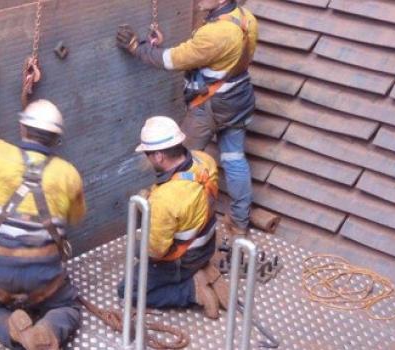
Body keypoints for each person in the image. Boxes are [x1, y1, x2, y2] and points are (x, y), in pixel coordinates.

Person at [0, 65, 86, 350]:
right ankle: (48, 329)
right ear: (57, 139)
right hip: (46, 277)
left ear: (21, 128)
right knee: (68, 308)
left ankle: (14, 330)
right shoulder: (69, 174)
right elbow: (75, 218)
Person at [116, 0, 259, 235]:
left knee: (177, 160)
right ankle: (240, 223)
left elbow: (172, 60)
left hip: (211, 107)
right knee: (234, 158)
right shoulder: (246, 19)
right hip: (240, 98)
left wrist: (137, 47)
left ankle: (169, 218)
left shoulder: (216, 33)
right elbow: (212, 57)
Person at [116, 116, 229, 318]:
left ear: (159, 156)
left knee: (127, 291)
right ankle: (202, 271)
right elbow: (188, 197)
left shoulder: (165, 200)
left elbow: (157, 251)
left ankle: (192, 291)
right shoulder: (204, 161)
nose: (147, 159)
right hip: (206, 247)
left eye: (148, 154)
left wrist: (139, 249)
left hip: (183, 260)